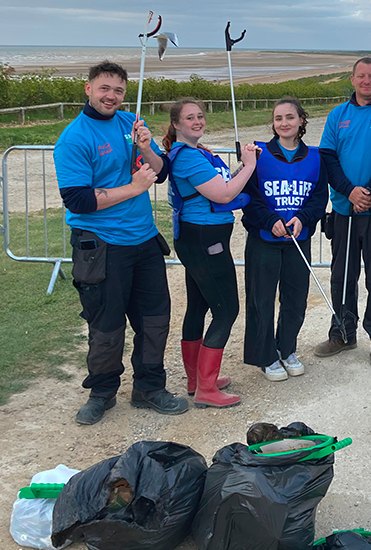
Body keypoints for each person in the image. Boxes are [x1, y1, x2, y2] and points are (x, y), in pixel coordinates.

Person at [54, 61, 188, 425]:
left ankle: (149, 388)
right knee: (106, 325)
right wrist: (132, 189)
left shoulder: (131, 123)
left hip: (143, 241)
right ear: (88, 89)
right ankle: (101, 392)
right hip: (99, 245)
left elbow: (160, 174)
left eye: (118, 91)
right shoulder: (74, 138)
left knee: (155, 319)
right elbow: (78, 200)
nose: (111, 96)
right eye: (104, 89)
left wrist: (146, 148)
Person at [163, 97, 258, 408]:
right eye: (190, 117)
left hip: (197, 237)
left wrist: (238, 166)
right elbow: (225, 192)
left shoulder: (195, 153)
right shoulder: (187, 157)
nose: (197, 121)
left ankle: (197, 379)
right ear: (176, 124)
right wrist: (250, 166)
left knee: (198, 305)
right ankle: (206, 388)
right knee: (227, 309)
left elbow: (221, 183)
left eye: (200, 116)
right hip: (205, 240)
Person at [314, 57, 371, 366]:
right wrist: (349, 191)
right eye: (361, 76)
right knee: (342, 276)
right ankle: (342, 334)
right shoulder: (338, 115)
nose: (367, 81)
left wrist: (368, 192)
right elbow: (328, 157)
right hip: (344, 209)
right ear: (352, 79)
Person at [241, 98, 328, 381]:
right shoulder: (258, 153)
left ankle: (286, 348)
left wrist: (303, 218)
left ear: (301, 120)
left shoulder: (316, 156)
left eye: (290, 117)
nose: (284, 123)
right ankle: (266, 355)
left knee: (295, 299)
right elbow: (249, 198)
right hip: (265, 239)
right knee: (262, 299)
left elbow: (318, 198)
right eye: (278, 118)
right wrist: (270, 221)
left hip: (297, 240)